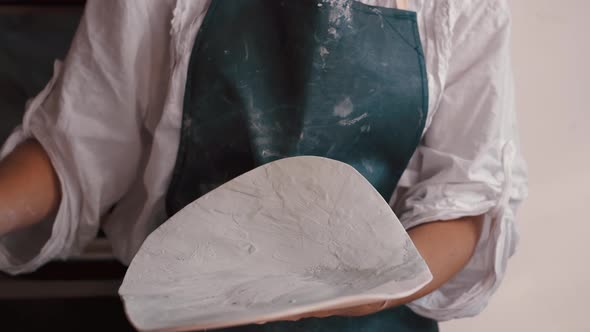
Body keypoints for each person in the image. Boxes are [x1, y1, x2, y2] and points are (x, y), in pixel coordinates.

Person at [0, 0, 528, 331]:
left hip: (374, 320)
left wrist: (364, 289)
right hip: (190, 313)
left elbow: (465, 201)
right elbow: (77, 146)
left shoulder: (463, 7)